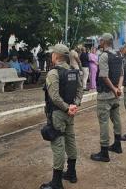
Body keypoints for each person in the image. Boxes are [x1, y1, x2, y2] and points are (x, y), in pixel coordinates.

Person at [40, 44, 83, 189]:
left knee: (58, 144)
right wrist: (73, 106)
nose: (51, 55)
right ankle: (71, 173)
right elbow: (80, 91)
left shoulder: (53, 73)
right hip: (70, 113)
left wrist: (66, 108)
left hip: (58, 114)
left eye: (52, 53)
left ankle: (56, 182)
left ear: (56, 56)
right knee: (70, 140)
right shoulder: (74, 72)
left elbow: (54, 97)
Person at [90, 33, 124, 162]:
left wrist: (114, 89)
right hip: (116, 94)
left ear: (104, 41)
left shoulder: (104, 56)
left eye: (100, 40)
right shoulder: (118, 55)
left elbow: (104, 76)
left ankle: (104, 152)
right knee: (116, 119)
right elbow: (121, 74)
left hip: (105, 95)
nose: (99, 41)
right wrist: (118, 89)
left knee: (104, 122)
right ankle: (117, 145)